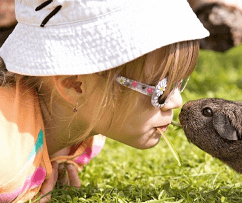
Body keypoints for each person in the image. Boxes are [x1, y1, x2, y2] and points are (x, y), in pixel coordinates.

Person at [0, 0, 209, 202]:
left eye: (179, 82)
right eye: (160, 89)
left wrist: (52, 160)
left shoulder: (87, 136)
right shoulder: (6, 154)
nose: (176, 101)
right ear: (74, 85)